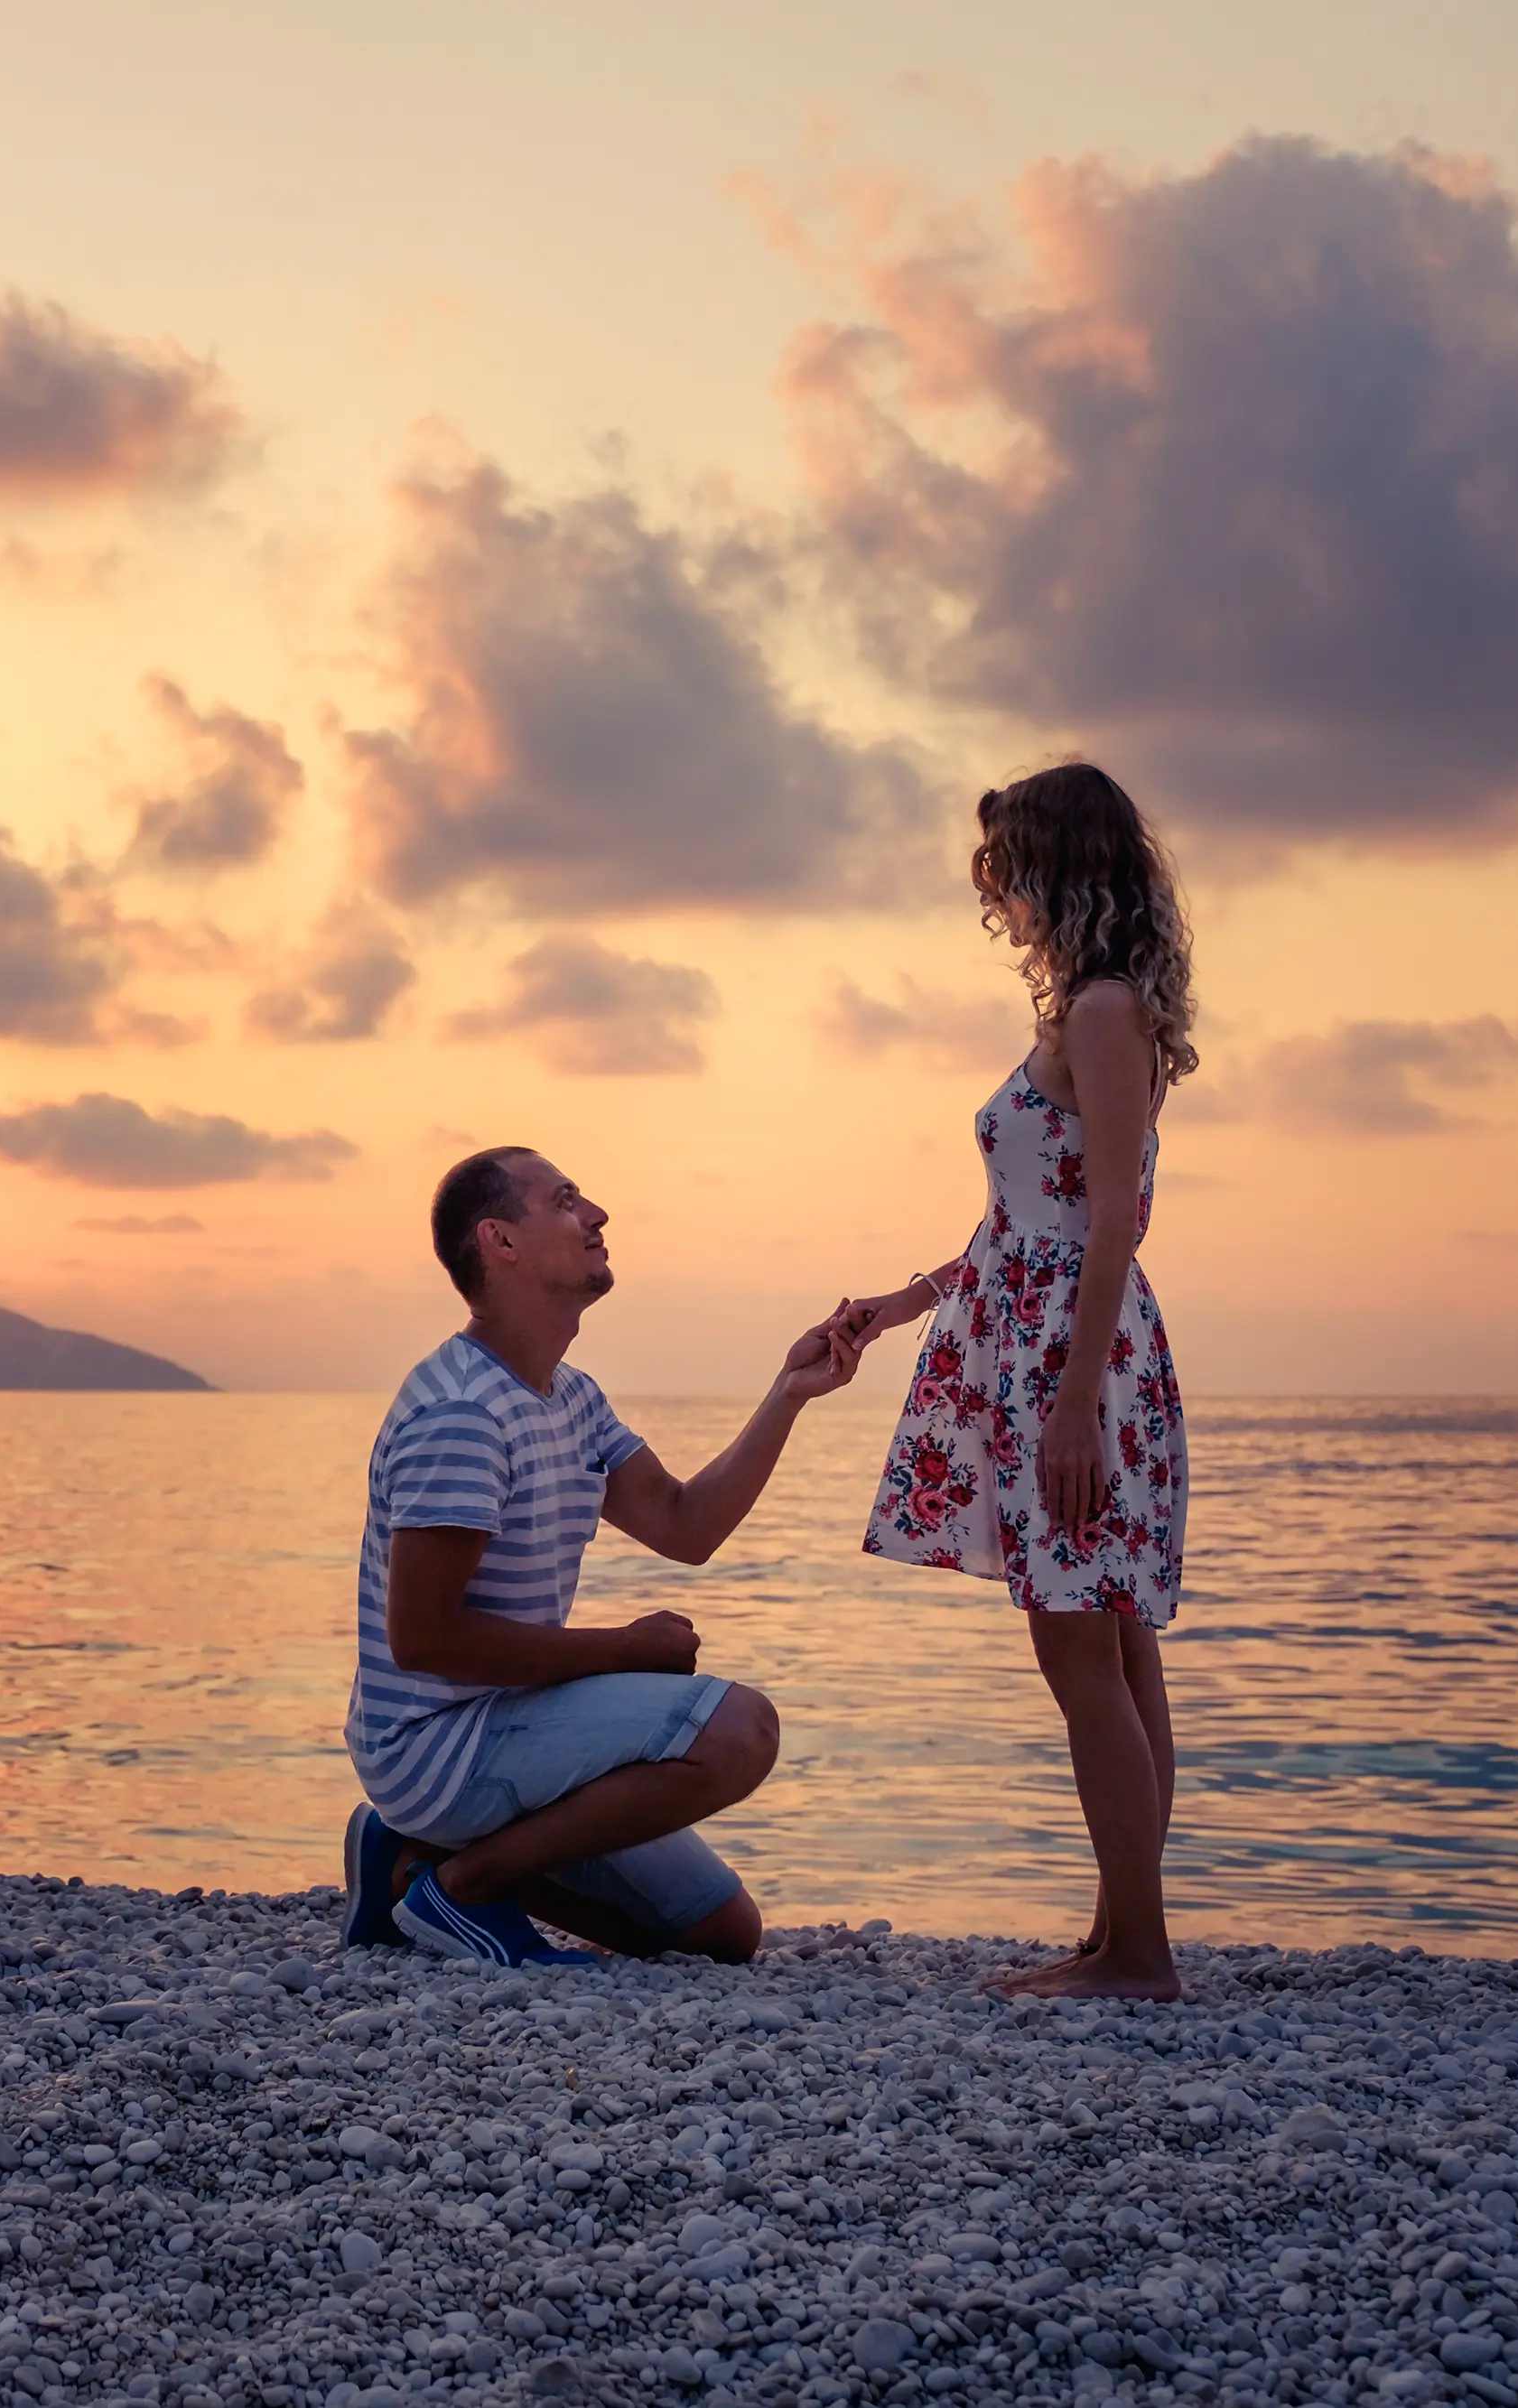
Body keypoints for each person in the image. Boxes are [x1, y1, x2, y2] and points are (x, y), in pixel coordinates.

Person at [843, 763, 1198, 2002]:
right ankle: (1120, 1934)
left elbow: (1110, 1225)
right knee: (1114, 1644)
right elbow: (1020, 1222)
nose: (995, 893)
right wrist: (902, 1303)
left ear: (1061, 863)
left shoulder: (1102, 1012)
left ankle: (1138, 1951)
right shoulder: (1089, 1008)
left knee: (1085, 1654)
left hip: (1073, 1354)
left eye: (1008, 865)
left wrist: (1068, 1402)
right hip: (1049, 1335)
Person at [340, 1147, 864, 1966]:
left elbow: (685, 1525)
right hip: (433, 1746)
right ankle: (467, 1886)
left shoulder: (570, 1394)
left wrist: (787, 1393)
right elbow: (425, 1641)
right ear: (500, 1241)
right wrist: (624, 1650)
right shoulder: (460, 1414)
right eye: (565, 1200)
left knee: (721, 1935)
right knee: (737, 1729)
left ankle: (412, 1862)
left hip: (498, 1729)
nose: (597, 1215)